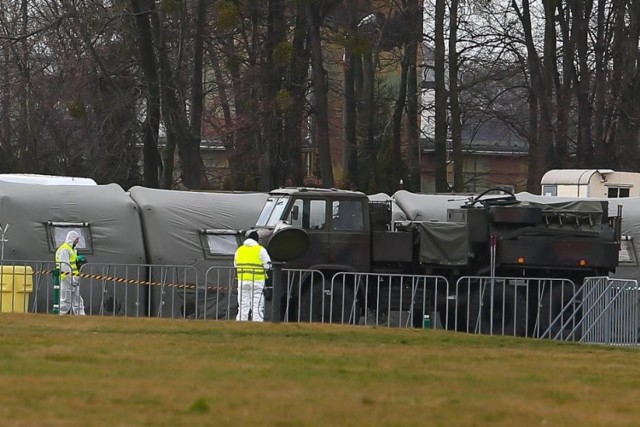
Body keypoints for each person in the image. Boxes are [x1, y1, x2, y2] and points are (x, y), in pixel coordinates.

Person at [234, 230, 271, 322]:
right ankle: (257, 322)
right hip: (257, 281)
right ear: (257, 240)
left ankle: (241, 322)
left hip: (242, 281)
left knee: (243, 304)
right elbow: (268, 265)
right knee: (257, 304)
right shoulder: (260, 250)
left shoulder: (239, 250)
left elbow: (235, 264)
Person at [55, 230, 86, 315]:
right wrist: (71, 279)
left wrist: (79, 261)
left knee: (78, 300)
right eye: (77, 239)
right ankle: (61, 317)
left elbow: (73, 264)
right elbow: (65, 266)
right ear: (72, 239)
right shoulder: (65, 250)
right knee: (65, 300)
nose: (78, 241)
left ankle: (81, 317)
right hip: (66, 279)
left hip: (74, 278)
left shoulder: (72, 250)